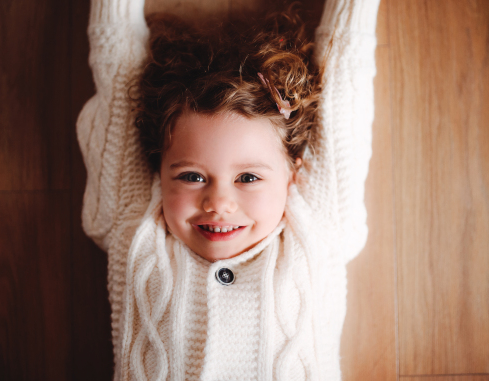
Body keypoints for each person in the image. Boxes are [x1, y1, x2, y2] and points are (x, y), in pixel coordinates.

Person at [77, 0, 380, 379]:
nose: (218, 203)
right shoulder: (135, 224)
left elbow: (345, 95)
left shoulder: (319, 227)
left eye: (248, 178)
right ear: (158, 171)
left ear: (292, 175)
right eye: (192, 176)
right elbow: (117, 82)